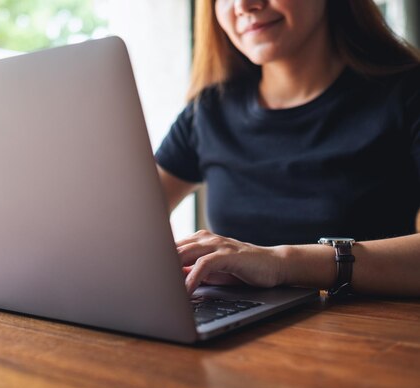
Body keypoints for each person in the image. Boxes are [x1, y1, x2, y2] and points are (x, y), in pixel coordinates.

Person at [155, 0, 420, 297]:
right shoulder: (207, 112)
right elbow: (122, 220)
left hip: (367, 334)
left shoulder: (408, 93)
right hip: (240, 334)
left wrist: (281, 263)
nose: (243, 5)